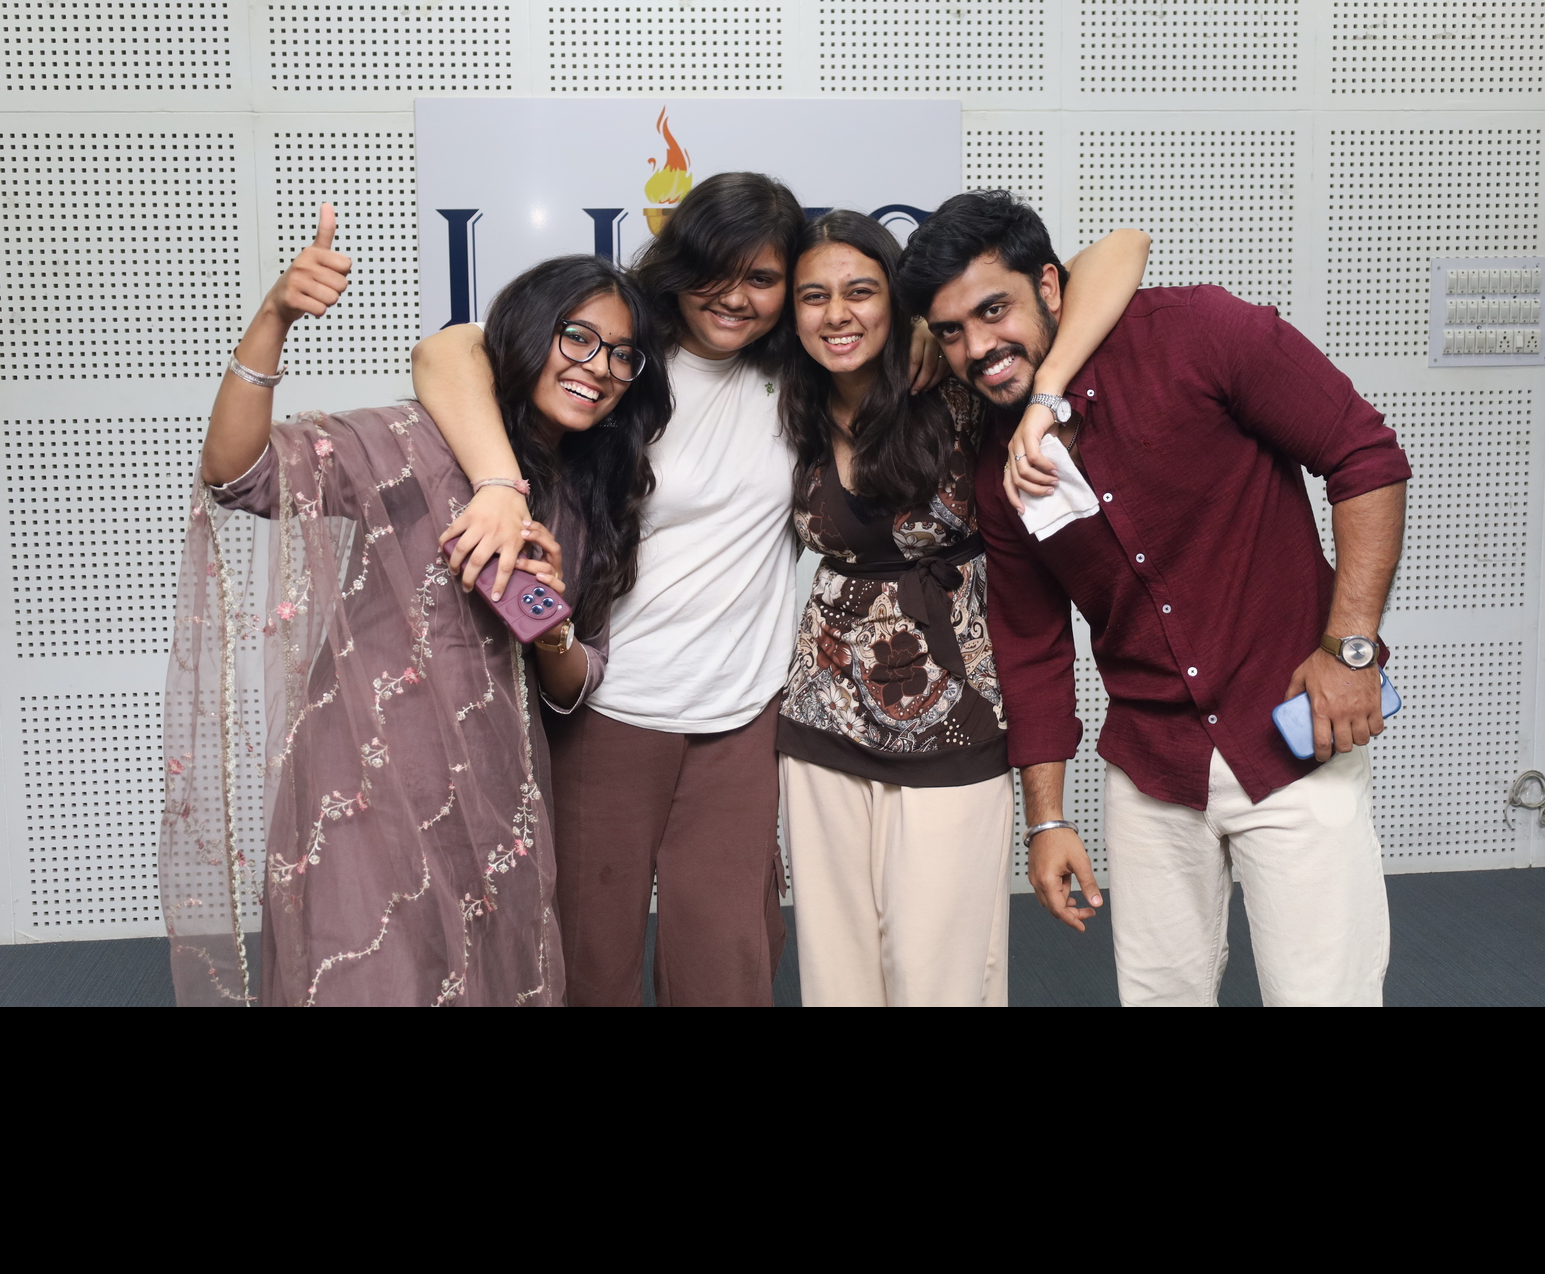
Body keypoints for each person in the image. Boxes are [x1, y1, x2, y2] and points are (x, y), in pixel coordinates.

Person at [412, 173, 945, 1007]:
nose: (734, 297)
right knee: (591, 960)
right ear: (677, 261)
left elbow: (877, 336)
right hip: (608, 706)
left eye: (761, 279)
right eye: (713, 270)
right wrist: (496, 484)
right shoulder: (620, 362)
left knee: (727, 964)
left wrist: (915, 329)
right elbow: (447, 352)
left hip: (742, 716)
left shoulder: (801, 375)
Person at [897, 191, 1412, 1008]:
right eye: (951, 331)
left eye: (994, 310)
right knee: (1158, 996)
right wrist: (1046, 820)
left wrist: (1350, 649)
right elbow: (1033, 648)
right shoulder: (998, 471)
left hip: (1291, 737)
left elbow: (1365, 456)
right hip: (1152, 766)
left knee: (1323, 994)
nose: (980, 348)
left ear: (1050, 286)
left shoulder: (1197, 333)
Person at [162, 205, 669, 1006]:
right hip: (364, 777)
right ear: (527, 336)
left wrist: (547, 615)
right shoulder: (415, 441)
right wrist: (273, 319)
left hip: (493, 791)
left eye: (622, 356)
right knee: (372, 977)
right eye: (578, 338)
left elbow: (573, 683)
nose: (599, 367)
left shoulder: (590, 499)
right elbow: (239, 476)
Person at [776, 210, 1149, 1006]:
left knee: (939, 973)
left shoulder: (958, 381)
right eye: (814, 296)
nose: (837, 313)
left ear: (897, 301)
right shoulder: (788, 404)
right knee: (836, 972)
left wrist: (1042, 394)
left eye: (860, 291)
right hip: (820, 715)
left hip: (956, 713)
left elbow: (1122, 250)